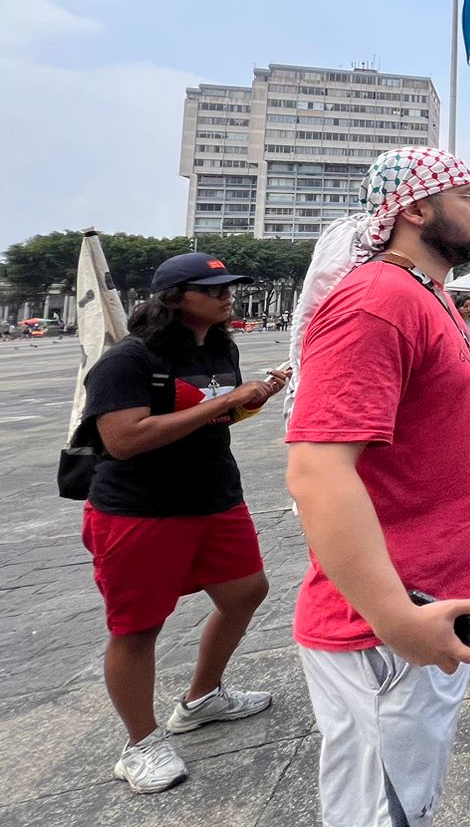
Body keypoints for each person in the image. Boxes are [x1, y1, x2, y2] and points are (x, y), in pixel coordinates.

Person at [284, 147, 470, 826]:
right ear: (415, 208)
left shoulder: (425, 293)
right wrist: (395, 617)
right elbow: (317, 470)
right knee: (382, 813)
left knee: (412, 800)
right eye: (469, 195)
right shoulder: (378, 301)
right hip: (384, 629)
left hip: (425, 603)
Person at [79, 252, 283, 794]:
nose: (226, 295)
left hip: (215, 497)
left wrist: (253, 398)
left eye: (229, 287)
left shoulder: (220, 348)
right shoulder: (129, 360)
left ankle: (201, 697)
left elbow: (217, 413)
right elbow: (123, 440)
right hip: (139, 510)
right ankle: (140, 742)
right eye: (211, 288)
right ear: (174, 298)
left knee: (246, 592)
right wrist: (226, 402)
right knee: (137, 625)